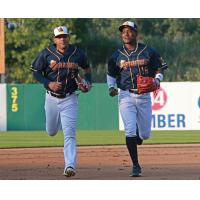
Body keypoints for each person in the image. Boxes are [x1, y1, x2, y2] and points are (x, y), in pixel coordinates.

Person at [107, 21, 167, 177]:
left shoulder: (148, 51)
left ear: (136, 33)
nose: (126, 34)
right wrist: (111, 87)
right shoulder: (116, 54)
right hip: (125, 94)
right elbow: (111, 74)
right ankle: (135, 165)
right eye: (123, 31)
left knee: (145, 135)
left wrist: (157, 80)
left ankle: (140, 135)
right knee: (129, 130)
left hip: (144, 97)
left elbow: (160, 67)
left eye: (129, 31)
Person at [31, 26, 92, 177]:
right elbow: (36, 71)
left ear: (68, 37)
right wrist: (48, 83)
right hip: (51, 97)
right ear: (54, 39)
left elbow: (87, 69)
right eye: (59, 37)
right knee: (51, 131)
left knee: (69, 134)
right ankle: (56, 123)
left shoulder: (77, 53)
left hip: (70, 98)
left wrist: (87, 83)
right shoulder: (46, 53)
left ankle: (69, 166)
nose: (62, 39)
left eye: (64, 36)